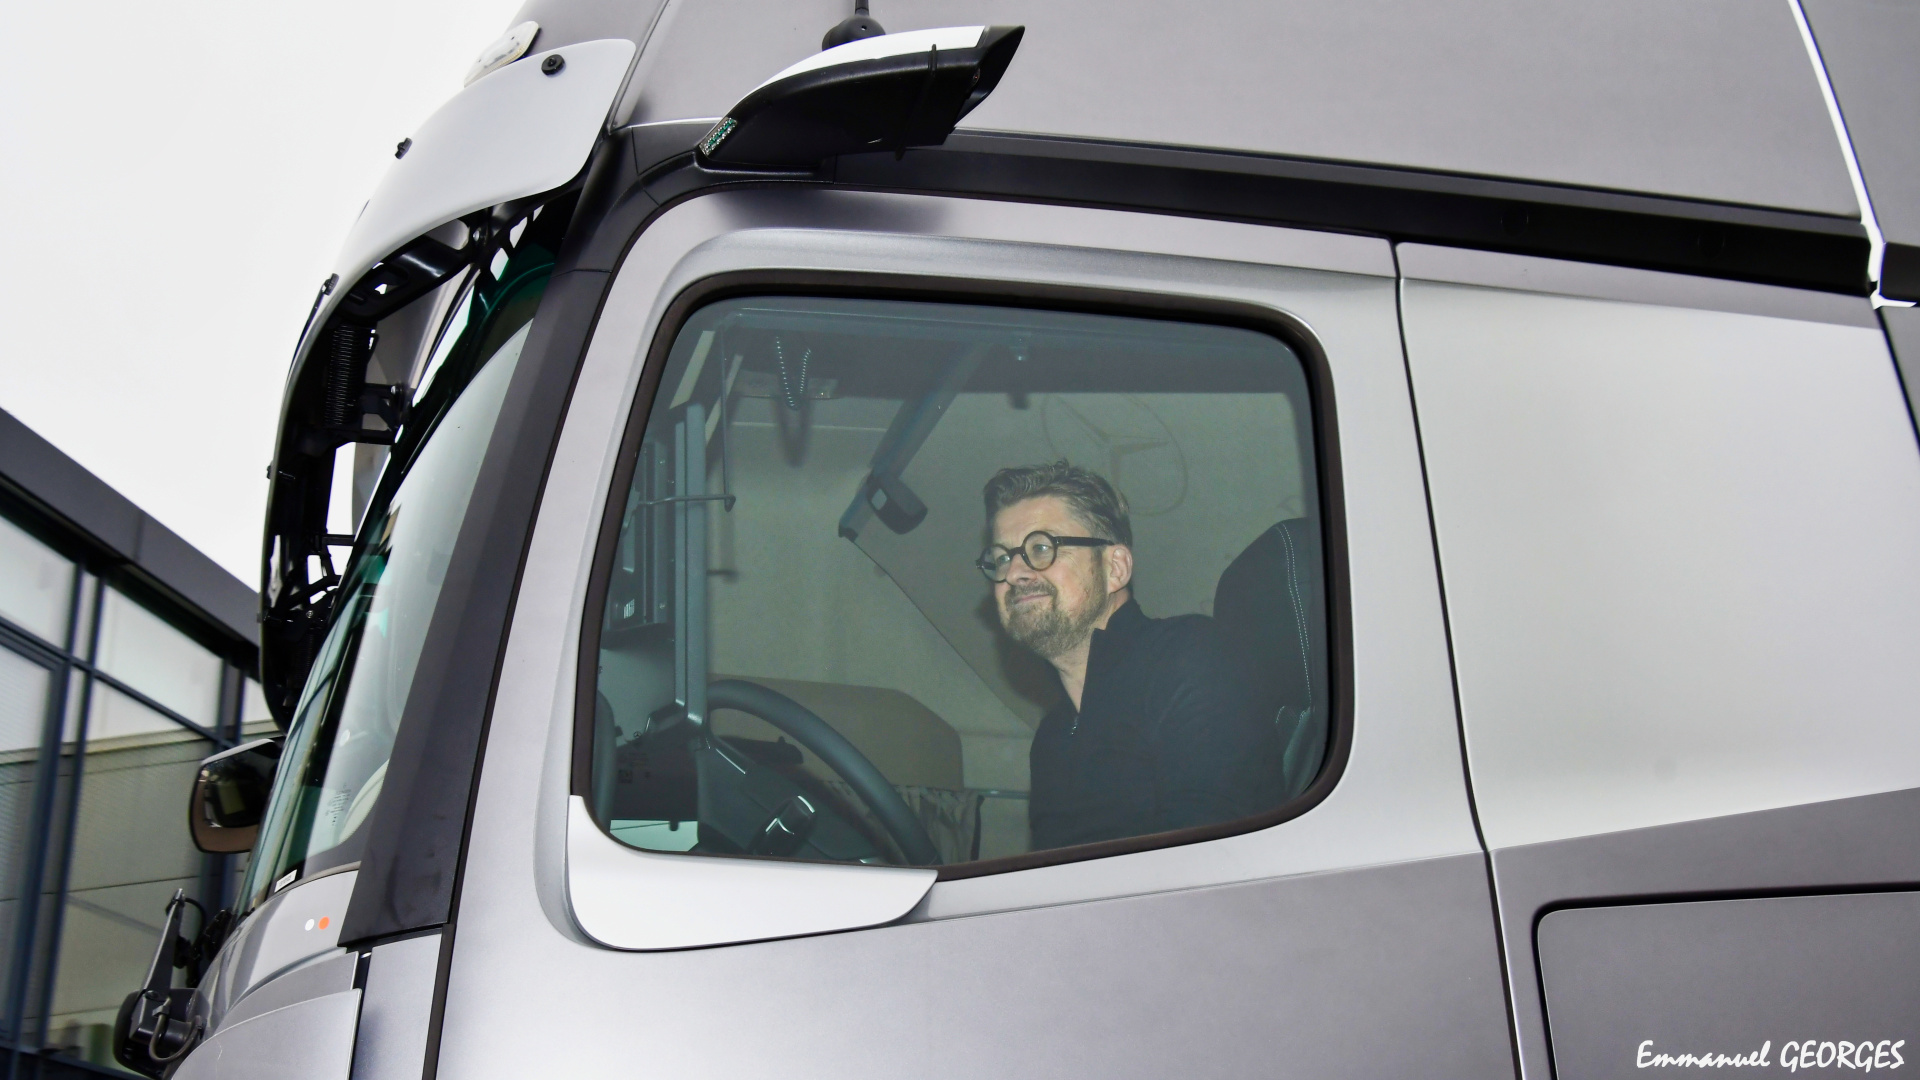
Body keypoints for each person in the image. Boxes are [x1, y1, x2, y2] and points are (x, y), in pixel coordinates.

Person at [977, 461, 1289, 851]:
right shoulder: (1052, 737)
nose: (1014, 573)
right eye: (1001, 559)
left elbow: (1204, 859)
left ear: (1115, 568)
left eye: (1040, 548)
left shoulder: (1190, 656)